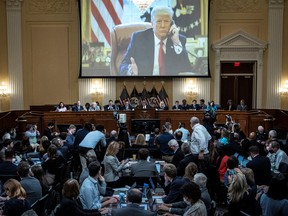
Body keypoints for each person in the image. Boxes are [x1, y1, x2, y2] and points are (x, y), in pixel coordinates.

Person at [119, 6, 191, 76]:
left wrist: (176, 42)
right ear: (152, 24)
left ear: (171, 24)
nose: (162, 25)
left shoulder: (179, 40)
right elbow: (124, 64)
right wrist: (129, 72)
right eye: (159, 21)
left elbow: (187, 69)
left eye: (166, 21)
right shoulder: (139, 39)